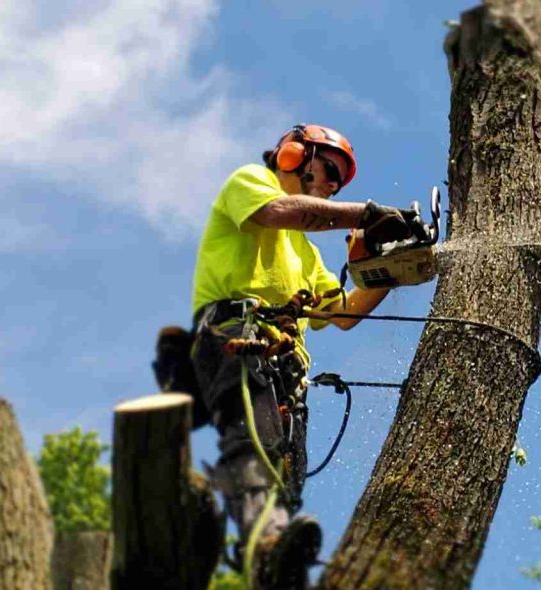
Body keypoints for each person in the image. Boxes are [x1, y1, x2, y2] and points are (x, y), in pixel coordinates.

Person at [190, 124, 418, 589]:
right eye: (329, 169)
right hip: (235, 336)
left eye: (340, 181)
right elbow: (281, 213)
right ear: (294, 154)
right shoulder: (252, 183)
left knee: (287, 478)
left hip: (285, 370)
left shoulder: (308, 254)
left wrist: (391, 267)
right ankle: (265, 544)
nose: (333, 185)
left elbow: (343, 314)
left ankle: (277, 567)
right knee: (254, 446)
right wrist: (369, 213)